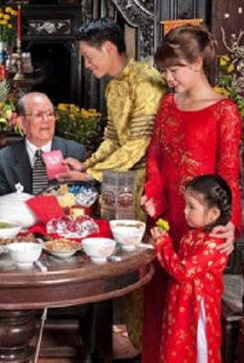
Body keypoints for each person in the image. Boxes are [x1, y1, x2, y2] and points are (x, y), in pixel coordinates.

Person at [59, 18, 167, 349]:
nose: (87, 64)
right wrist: (87, 164)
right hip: (118, 184)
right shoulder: (114, 86)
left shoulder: (145, 81)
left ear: (108, 48)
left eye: (89, 56)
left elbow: (139, 144)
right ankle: (135, 346)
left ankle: (149, 348)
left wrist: (92, 175)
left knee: (139, 268)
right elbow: (112, 138)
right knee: (119, 267)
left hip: (141, 187)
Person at [140, 24, 242, 363]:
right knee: (158, 305)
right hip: (165, 218)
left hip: (200, 223)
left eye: (175, 69)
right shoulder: (168, 104)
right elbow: (154, 157)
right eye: (165, 71)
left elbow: (229, 174)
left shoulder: (224, 111)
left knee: (189, 309)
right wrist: (154, 197)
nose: (168, 78)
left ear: (198, 63)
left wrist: (228, 224)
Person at [146, 175, 232, 363]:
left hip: (196, 309)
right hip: (180, 304)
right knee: (174, 348)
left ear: (213, 214)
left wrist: (163, 244)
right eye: (185, 205)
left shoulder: (214, 245)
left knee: (195, 351)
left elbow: (182, 272)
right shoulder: (193, 234)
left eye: (191, 207)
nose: (185, 211)